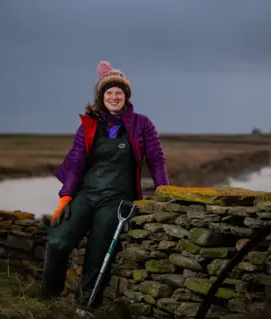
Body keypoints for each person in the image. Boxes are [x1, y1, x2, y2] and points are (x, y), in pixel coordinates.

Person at [41, 61, 170, 310]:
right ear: (101, 96)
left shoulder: (143, 124)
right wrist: (66, 196)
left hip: (118, 199)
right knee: (58, 240)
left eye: (119, 93)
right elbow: (76, 162)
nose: (114, 97)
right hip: (87, 194)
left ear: (126, 96)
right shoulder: (89, 125)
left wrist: (164, 191)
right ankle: (49, 298)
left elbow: (156, 159)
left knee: (98, 252)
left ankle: (86, 305)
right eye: (109, 92)